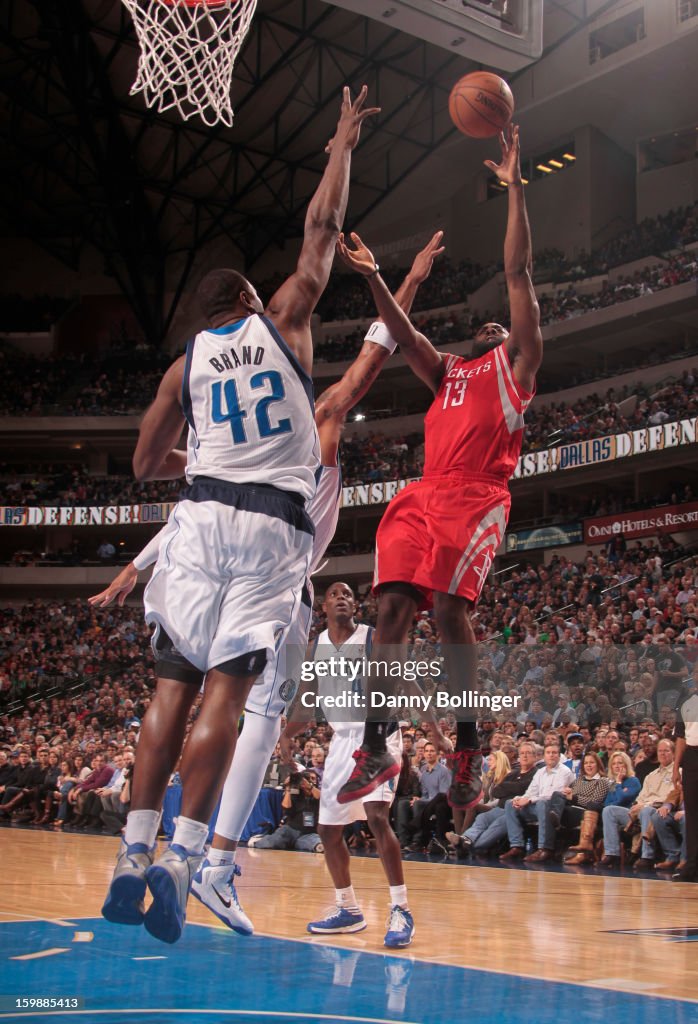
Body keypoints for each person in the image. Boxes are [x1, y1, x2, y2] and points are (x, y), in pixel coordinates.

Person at [94, 231, 444, 937]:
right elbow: (376, 353)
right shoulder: (317, 421)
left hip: (217, 544)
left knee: (218, 703)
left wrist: (139, 566)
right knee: (253, 715)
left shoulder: (252, 417)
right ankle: (212, 864)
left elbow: (197, 486)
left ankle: (167, 852)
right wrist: (400, 281)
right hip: (278, 576)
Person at [100, 86, 380, 945]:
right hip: (267, 531)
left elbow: (147, 463)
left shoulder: (184, 368)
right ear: (257, 304)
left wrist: (207, 462)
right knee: (228, 694)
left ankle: (130, 855)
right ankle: (185, 859)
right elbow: (322, 231)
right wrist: (338, 146)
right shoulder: (285, 318)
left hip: (197, 519)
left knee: (168, 690)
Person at [333, 124, 543, 814]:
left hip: (479, 496)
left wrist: (514, 191)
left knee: (451, 610)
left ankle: (467, 746)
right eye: (486, 325)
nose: (493, 326)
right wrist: (372, 276)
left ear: (515, 342)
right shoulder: (449, 371)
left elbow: (518, 274)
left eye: (503, 327)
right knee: (389, 610)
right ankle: (373, 747)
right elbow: (403, 331)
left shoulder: (516, 371)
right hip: (424, 495)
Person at [282, 581, 413, 949]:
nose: (343, 599)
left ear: (356, 606)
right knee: (327, 831)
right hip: (342, 740)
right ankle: (349, 909)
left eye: (349, 596)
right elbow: (307, 702)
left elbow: (404, 678)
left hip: (380, 735)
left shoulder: (372, 637)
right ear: (324, 606)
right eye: (336, 595)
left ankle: (401, 908)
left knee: (376, 815)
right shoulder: (315, 648)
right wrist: (287, 736)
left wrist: (434, 730)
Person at [447, 742, 539, 855]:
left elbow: (523, 787)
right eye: (522, 753)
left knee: (495, 826)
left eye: (528, 753)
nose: (525, 756)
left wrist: (508, 787)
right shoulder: (513, 773)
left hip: (514, 811)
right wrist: (513, 788)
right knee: (482, 818)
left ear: (535, 757)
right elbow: (496, 791)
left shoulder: (536, 774)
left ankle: (464, 846)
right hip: (499, 808)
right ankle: (465, 838)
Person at [598, 739, 675, 869]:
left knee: (645, 810)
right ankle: (612, 853)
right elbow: (610, 802)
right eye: (660, 751)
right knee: (608, 811)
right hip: (637, 810)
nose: (662, 754)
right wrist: (637, 804)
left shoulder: (634, 780)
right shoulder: (651, 775)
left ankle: (647, 856)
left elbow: (671, 797)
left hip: (658, 810)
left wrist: (644, 804)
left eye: (666, 751)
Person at [499, 742, 575, 863]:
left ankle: (544, 848)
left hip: (554, 809)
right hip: (536, 807)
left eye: (554, 753)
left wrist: (529, 800)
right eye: (548, 753)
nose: (551, 755)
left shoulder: (564, 771)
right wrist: (520, 799)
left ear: (559, 756)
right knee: (510, 803)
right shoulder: (540, 772)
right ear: (544, 756)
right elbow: (531, 791)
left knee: (542, 803)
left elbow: (552, 796)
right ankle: (516, 846)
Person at [248, 770, 323, 852]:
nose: (309, 780)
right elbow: (286, 807)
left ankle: (310, 845)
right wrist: (288, 788)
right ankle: (259, 840)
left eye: (313, 778)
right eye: (307, 778)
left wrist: (309, 787)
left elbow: (322, 798)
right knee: (273, 843)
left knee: (317, 844)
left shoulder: (318, 793)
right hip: (290, 829)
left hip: (308, 833)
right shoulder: (295, 793)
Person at [559, 752, 612, 865]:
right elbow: (569, 794)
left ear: (598, 764)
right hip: (571, 808)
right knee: (557, 796)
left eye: (592, 762)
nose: (588, 765)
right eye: (586, 763)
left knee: (563, 810)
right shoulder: (578, 780)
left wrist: (574, 798)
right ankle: (554, 817)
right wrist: (567, 794)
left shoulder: (602, 781)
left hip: (588, 813)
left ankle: (555, 817)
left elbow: (595, 802)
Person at [672, 683, 698, 881]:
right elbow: (680, 739)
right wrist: (675, 769)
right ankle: (692, 866)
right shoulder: (687, 704)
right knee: (692, 814)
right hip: (692, 758)